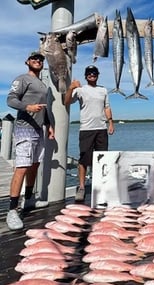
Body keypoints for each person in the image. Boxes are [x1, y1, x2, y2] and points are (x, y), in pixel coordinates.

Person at [6, 51, 54, 230]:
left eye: (41, 59)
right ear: (27, 62)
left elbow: (44, 108)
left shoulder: (43, 84)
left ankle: (29, 200)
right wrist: (27, 106)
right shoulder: (22, 79)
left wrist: (49, 125)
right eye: (34, 59)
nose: (38, 61)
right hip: (24, 128)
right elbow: (10, 99)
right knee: (22, 167)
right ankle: (12, 210)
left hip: (39, 129)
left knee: (34, 165)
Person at [64, 65, 114, 201]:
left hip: (101, 129)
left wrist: (110, 122)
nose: (92, 75)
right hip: (86, 129)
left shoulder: (103, 90)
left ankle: (100, 186)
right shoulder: (80, 90)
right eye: (89, 73)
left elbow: (107, 107)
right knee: (84, 159)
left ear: (98, 75)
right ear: (86, 76)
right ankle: (81, 187)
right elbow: (66, 101)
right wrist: (71, 88)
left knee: (102, 158)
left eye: (94, 73)